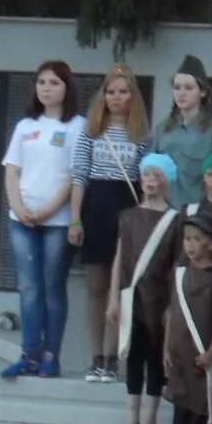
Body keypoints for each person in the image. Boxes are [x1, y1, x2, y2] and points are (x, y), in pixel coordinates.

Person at [0, 61, 84, 379]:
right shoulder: (25, 126)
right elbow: (12, 170)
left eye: (54, 83)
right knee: (28, 288)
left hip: (57, 220)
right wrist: (18, 205)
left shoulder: (76, 125)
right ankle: (29, 354)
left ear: (66, 88)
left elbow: (73, 174)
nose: (47, 88)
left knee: (52, 288)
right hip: (21, 218)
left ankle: (51, 356)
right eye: (42, 82)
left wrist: (49, 210)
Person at [68, 66, 151, 384]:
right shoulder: (91, 132)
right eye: (111, 92)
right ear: (103, 96)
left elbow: (145, 182)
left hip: (126, 207)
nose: (117, 98)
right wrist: (75, 219)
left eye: (123, 92)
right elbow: (80, 176)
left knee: (121, 286)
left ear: (133, 97)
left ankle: (113, 356)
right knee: (96, 286)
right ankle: (95, 357)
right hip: (96, 206)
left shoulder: (142, 136)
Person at [104, 153, 180, 424]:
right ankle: (131, 417)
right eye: (147, 175)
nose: (150, 181)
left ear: (167, 181)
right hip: (130, 296)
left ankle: (150, 420)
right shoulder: (128, 216)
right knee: (133, 356)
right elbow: (119, 258)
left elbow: (175, 266)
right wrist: (113, 298)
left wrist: (172, 306)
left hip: (159, 298)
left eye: (157, 176)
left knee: (154, 357)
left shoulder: (175, 220)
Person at [163, 212, 212, 424]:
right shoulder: (180, 274)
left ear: (210, 244)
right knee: (180, 401)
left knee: (201, 405)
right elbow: (172, 311)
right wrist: (166, 348)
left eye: (197, 239)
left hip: (202, 352)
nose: (190, 245)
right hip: (179, 350)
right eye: (187, 239)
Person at [151, 55, 212, 204]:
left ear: (202, 92)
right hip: (163, 211)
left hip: (197, 212)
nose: (181, 93)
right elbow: (150, 173)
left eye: (188, 88)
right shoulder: (162, 129)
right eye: (177, 87)